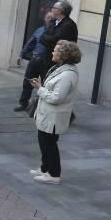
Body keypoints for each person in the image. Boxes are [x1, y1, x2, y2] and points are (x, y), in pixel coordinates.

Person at [30, 40, 80, 185]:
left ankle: (54, 174)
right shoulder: (60, 68)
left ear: (63, 55)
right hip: (47, 113)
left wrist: (40, 88)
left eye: (56, 51)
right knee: (43, 141)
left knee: (49, 144)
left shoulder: (67, 75)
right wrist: (41, 85)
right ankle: (45, 169)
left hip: (54, 115)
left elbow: (57, 98)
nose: (52, 52)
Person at [14, 13, 54, 112]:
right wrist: (21, 55)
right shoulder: (39, 30)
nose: (50, 19)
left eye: (52, 18)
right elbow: (30, 43)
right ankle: (23, 103)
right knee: (28, 81)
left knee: (48, 85)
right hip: (34, 59)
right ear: (45, 19)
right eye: (48, 17)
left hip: (47, 62)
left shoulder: (56, 32)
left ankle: (47, 106)